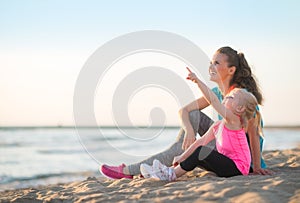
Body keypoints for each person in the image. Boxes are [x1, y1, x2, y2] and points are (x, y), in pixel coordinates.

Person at [100, 47, 272, 179]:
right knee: (192, 117)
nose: (211, 66)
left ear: (231, 70)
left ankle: (130, 171)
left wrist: (256, 166)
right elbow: (185, 110)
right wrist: (190, 130)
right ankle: (165, 163)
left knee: (190, 144)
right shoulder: (219, 92)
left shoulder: (240, 98)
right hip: (224, 146)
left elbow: (254, 135)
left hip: (237, 158)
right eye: (211, 62)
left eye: (216, 63)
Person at [140, 69, 259, 180]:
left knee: (201, 151)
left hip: (238, 169)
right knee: (200, 153)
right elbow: (199, 142)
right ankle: (167, 171)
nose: (226, 97)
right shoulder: (218, 125)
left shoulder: (234, 121)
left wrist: (197, 81)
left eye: (231, 97)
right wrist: (182, 157)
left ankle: (171, 175)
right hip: (227, 166)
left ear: (239, 108)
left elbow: (213, 101)